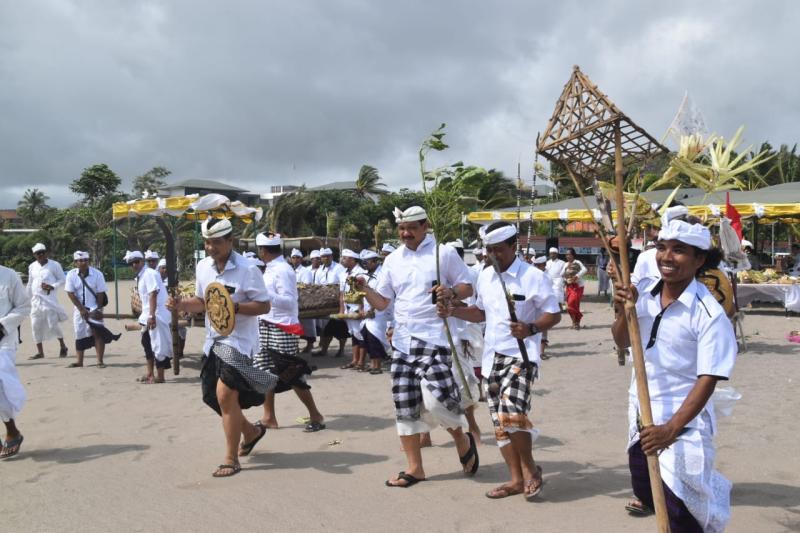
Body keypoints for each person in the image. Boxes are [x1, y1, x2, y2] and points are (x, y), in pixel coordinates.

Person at [611, 217, 736, 532]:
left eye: (679, 250)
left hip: (683, 423)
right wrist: (624, 311)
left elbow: (708, 378)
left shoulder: (708, 314)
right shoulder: (643, 292)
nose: (666, 257)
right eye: (662, 247)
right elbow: (622, 341)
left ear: (699, 259)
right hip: (642, 412)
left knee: (683, 512)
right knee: (645, 488)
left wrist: (670, 429)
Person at [359, 205, 479, 488]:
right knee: (404, 404)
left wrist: (450, 292)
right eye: (402, 228)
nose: (406, 233)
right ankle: (415, 468)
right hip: (402, 342)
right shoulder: (393, 260)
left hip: (435, 337)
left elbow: (467, 286)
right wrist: (364, 288)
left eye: (412, 228)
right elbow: (383, 302)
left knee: (438, 400)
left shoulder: (442, 253)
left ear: (425, 226)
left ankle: (462, 440)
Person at [444, 222, 560, 500]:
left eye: (498, 250)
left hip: (521, 356)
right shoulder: (485, 276)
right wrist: (452, 311)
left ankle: (530, 470)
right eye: (489, 250)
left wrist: (531, 328)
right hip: (491, 358)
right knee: (500, 423)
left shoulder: (533, 276)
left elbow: (553, 314)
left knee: (512, 413)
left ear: (513, 246)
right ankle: (516, 479)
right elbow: (480, 313)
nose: (493, 255)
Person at [169, 217, 276, 478]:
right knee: (211, 397)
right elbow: (201, 301)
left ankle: (230, 458)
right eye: (207, 242)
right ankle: (251, 431)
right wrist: (181, 305)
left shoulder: (248, 269)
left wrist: (234, 306)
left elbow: (264, 305)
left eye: (216, 242)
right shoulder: (203, 267)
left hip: (239, 342)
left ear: (230, 241)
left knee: (225, 395)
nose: (210, 248)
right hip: (213, 340)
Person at [253, 233, 325, 432]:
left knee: (291, 373)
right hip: (265, 324)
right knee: (264, 372)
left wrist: (264, 294)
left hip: (282, 327)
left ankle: (316, 415)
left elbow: (289, 302)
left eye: (259, 250)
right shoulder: (270, 268)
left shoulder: (283, 270)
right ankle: (269, 417)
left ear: (263, 250)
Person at [64, 251, 120, 368]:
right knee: (79, 334)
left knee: (97, 333)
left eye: (86, 260)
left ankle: (100, 361)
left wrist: (98, 309)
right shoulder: (71, 275)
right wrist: (81, 309)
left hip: (94, 307)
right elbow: (70, 293)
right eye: (80, 260)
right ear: (75, 262)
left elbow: (100, 292)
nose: (83, 262)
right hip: (79, 309)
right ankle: (79, 361)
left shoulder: (97, 274)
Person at [127, 250, 172, 384]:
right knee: (147, 343)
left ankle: (160, 376)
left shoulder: (150, 273)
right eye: (131, 263)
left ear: (142, 261)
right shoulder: (142, 275)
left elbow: (153, 294)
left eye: (136, 262)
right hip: (147, 314)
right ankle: (150, 373)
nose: (134, 265)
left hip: (157, 314)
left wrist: (152, 316)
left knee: (158, 346)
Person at [0, 263, 31, 459]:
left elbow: (24, 306)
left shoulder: (8, 275)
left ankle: (12, 431)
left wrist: (2, 327)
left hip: (3, 340)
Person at [26, 243, 68, 359]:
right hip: (35, 301)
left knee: (53, 324)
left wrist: (52, 286)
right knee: (35, 325)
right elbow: (30, 283)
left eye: (42, 252)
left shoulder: (54, 265)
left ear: (46, 252)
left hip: (49, 301)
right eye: (37, 253)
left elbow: (62, 279)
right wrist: (26, 298)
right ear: (34, 255)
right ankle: (40, 352)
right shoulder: (32, 266)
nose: (40, 255)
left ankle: (63, 346)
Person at [358, 249, 393, 375]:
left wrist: (371, 309)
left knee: (375, 338)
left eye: (366, 262)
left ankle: (377, 365)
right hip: (367, 312)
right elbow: (361, 293)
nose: (365, 265)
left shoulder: (382, 275)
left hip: (379, 312)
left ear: (374, 261)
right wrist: (361, 309)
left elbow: (380, 294)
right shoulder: (364, 275)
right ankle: (373, 363)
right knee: (366, 337)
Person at [312, 248, 348, 358]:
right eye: (323, 256)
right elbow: (316, 286)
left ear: (332, 257)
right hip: (324, 303)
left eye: (328, 256)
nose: (326, 258)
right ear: (321, 258)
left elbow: (343, 284)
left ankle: (341, 350)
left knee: (340, 327)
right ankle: (324, 350)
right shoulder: (319, 270)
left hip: (338, 302)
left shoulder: (339, 268)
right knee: (326, 328)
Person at [339, 249, 368, 371]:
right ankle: (354, 360)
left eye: (345, 258)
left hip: (357, 308)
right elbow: (341, 293)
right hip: (348, 308)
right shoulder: (343, 273)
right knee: (353, 334)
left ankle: (361, 362)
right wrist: (341, 310)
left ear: (352, 260)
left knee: (360, 335)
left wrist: (361, 309)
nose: (342, 260)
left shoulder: (361, 273)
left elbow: (363, 293)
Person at [290, 249, 317, 353]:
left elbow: (306, 286)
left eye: (297, 258)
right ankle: (295, 345)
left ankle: (310, 344)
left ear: (301, 259)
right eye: (293, 258)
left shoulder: (305, 271)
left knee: (307, 324)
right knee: (294, 325)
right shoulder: (290, 271)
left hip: (303, 300)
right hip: (293, 301)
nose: (295, 260)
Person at [532, 256, 552, 359]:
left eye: (539, 265)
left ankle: (541, 352)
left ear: (544, 265)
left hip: (543, 305)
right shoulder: (532, 274)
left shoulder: (547, 276)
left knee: (543, 328)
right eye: (536, 265)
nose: (537, 267)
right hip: (532, 305)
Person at [563, 248, 588, 329]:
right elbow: (562, 274)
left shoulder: (577, 262)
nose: (568, 256)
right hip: (568, 287)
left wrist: (576, 276)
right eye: (566, 254)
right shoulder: (565, 264)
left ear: (573, 255)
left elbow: (585, 270)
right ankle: (574, 322)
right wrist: (565, 280)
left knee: (573, 303)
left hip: (578, 287)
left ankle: (577, 322)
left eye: (569, 254)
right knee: (569, 305)